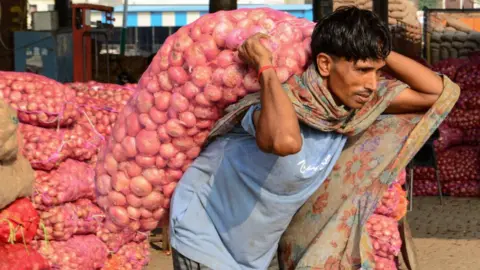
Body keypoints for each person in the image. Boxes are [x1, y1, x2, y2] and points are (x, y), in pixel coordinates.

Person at [169, 6, 444, 270]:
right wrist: (265, 66)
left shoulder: (349, 108)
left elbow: (435, 93)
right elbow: (284, 141)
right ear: (324, 64)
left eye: (377, 71)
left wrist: (376, 48)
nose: (372, 84)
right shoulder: (277, 99)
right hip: (207, 234)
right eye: (362, 70)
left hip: (256, 248)